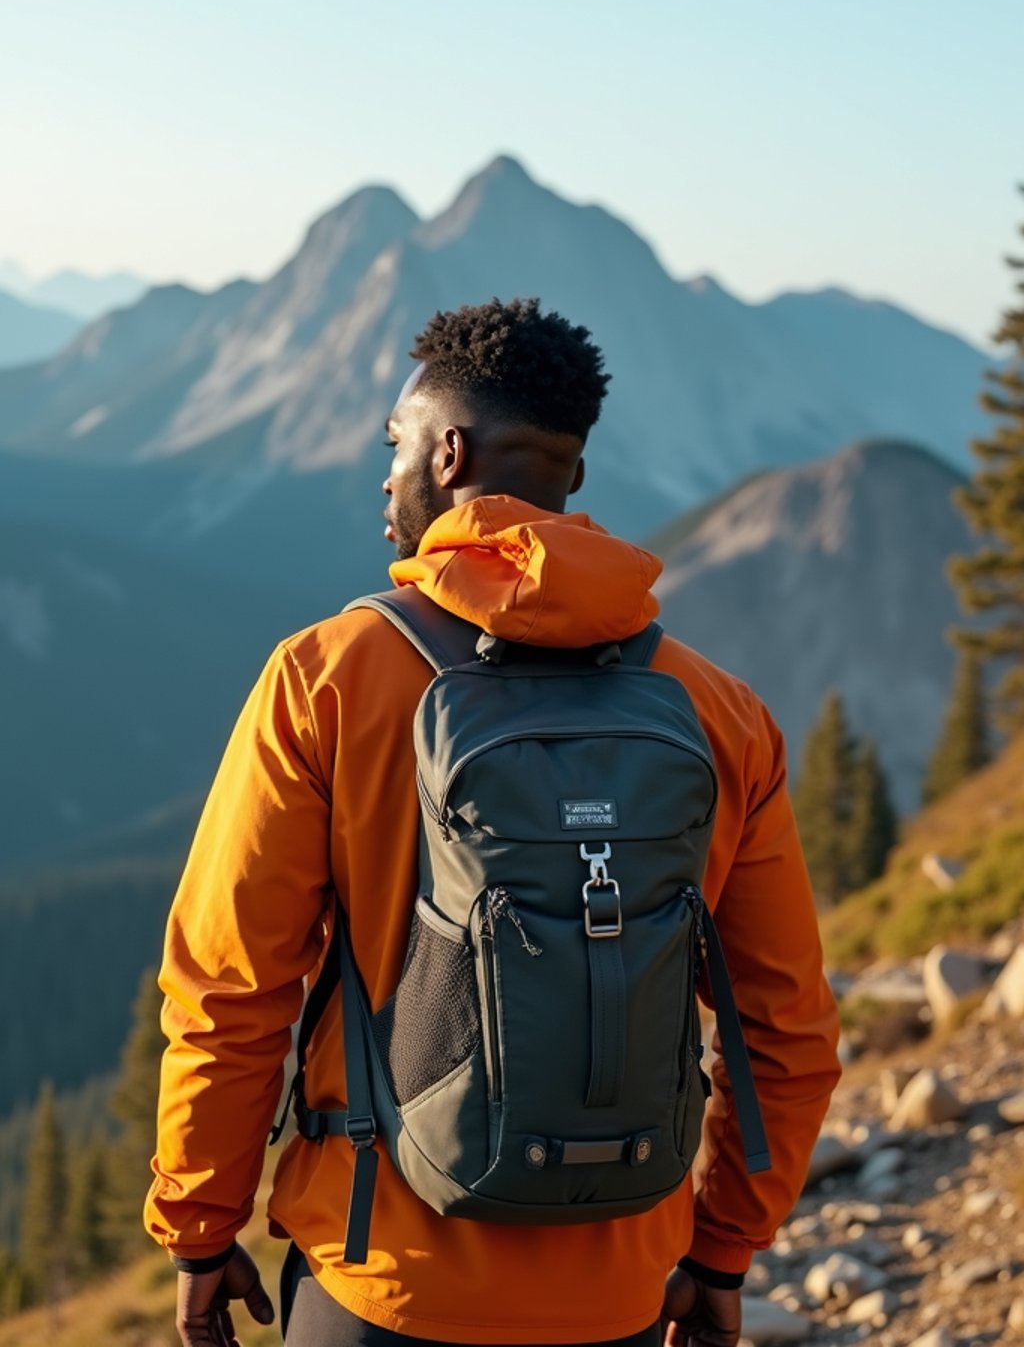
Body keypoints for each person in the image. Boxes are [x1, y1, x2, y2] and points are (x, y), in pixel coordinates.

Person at [145, 297, 841, 1347]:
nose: (385, 476)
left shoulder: (326, 679)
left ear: (450, 452)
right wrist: (721, 1249)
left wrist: (200, 1227)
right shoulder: (718, 710)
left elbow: (232, 985)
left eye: (396, 446)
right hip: (617, 1286)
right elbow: (784, 1026)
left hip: (379, 1278)